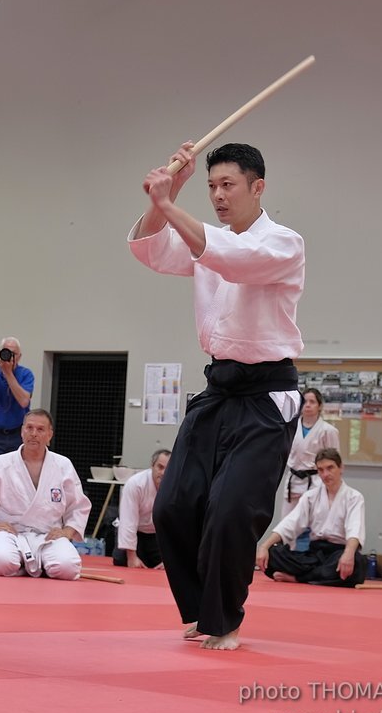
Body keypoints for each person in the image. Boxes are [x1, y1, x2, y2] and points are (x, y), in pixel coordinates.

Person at [130, 141, 304, 650]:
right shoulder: (208, 237)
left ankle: (223, 618)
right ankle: (203, 608)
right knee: (172, 508)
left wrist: (170, 204)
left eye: (227, 185)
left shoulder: (283, 243)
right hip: (218, 388)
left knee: (230, 510)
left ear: (258, 187)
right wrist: (167, 198)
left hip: (267, 393)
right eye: (210, 186)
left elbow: (233, 260)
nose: (218, 195)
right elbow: (150, 250)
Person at [0, 410, 91, 581]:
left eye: (40, 429)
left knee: (68, 568)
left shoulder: (63, 465)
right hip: (12, 534)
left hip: (49, 535)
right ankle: (24, 564)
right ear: (22, 432)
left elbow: (78, 505)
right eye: (29, 428)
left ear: (50, 435)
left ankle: (31, 564)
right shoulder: (1, 463)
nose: (34, 434)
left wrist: (67, 532)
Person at [256, 448, 366, 587]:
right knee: (272, 553)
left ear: (341, 468)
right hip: (314, 554)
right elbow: (290, 524)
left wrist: (348, 554)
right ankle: (315, 577)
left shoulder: (354, 497)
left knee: (357, 562)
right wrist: (264, 546)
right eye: (321, 470)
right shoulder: (311, 496)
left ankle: (297, 578)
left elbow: (354, 528)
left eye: (330, 468)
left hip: (338, 553)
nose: (325, 474)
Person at [282, 388, 340, 518]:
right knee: (287, 526)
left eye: (312, 402)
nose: (307, 405)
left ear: (319, 406)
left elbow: (335, 462)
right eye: (305, 401)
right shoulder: (290, 427)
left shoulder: (328, 431)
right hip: (293, 481)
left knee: (314, 527)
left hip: (316, 482)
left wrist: (332, 487)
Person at [115, 449, 171, 569]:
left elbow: (178, 524)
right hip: (136, 530)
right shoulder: (135, 484)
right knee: (121, 559)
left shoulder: (177, 488)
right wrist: (131, 557)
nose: (163, 473)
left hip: (158, 535)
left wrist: (171, 560)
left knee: (169, 565)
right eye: (160, 467)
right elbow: (128, 521)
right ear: (152, 466)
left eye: (168, 468)